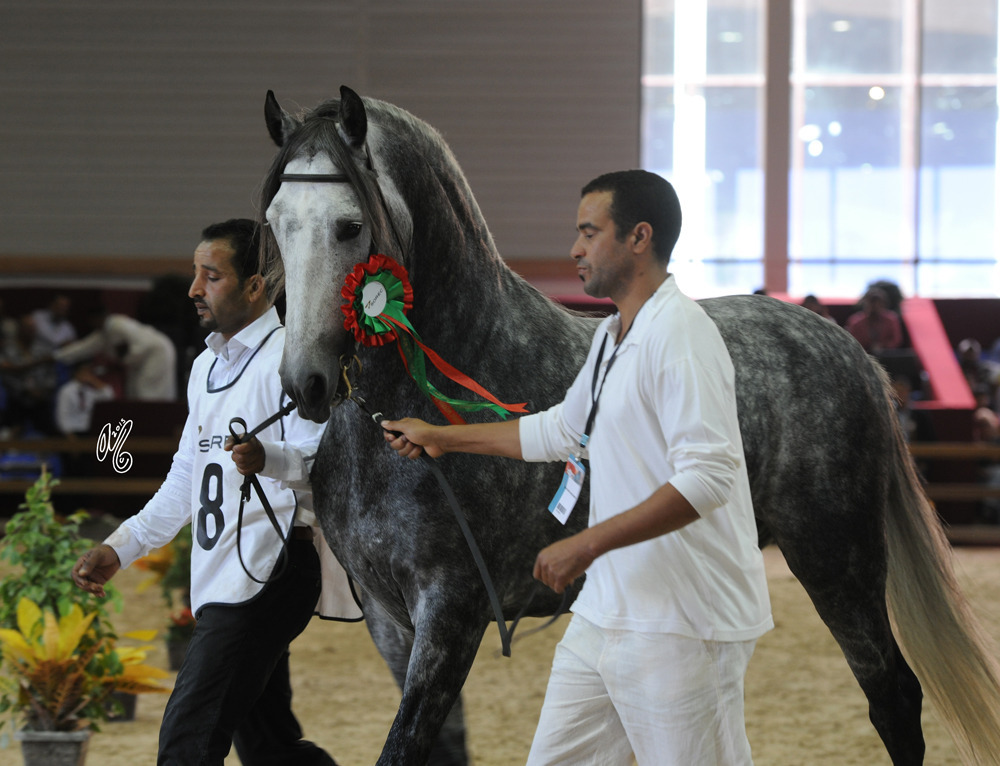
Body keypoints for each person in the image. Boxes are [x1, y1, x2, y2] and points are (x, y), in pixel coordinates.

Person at [383, 170, 773, 764]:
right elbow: (563, 430)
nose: (575, 248)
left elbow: (709, 476)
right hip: (606, 612)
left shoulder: (682, 336)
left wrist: (585, 544)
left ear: (639, 237)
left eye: (590, 232)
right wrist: (444, 436)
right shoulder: (610, 336)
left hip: (684, 621)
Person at [71, 218, 351, 766]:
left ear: (255, 285)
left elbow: (332, 463)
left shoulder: (291, 359)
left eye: (211, 275)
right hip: (222, 570)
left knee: (186, 739)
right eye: (196, 274)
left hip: (271, 567)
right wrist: (120, 547)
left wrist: (269, 457)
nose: (195, 289)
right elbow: (184, 481)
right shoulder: (204, 367)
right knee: (269, 747)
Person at [52, 305, 178, 401]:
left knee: (146, 392)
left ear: (100, 317)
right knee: (133, 393)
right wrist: (55, 356)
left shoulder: (118, 325)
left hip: (156, 353)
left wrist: (121, 357)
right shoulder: (102, 334)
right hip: (140, 361)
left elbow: (134, 346)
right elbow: (81, 348)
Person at [844, 286, 903, 354]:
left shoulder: (892, 320)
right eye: (872, 302)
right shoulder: (855, 322)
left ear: (884, 304)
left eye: (879, 303)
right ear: (865, 304)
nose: (875, 306)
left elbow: (897, 340)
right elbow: (852, 341)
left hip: (888, 356)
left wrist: (883, 346)